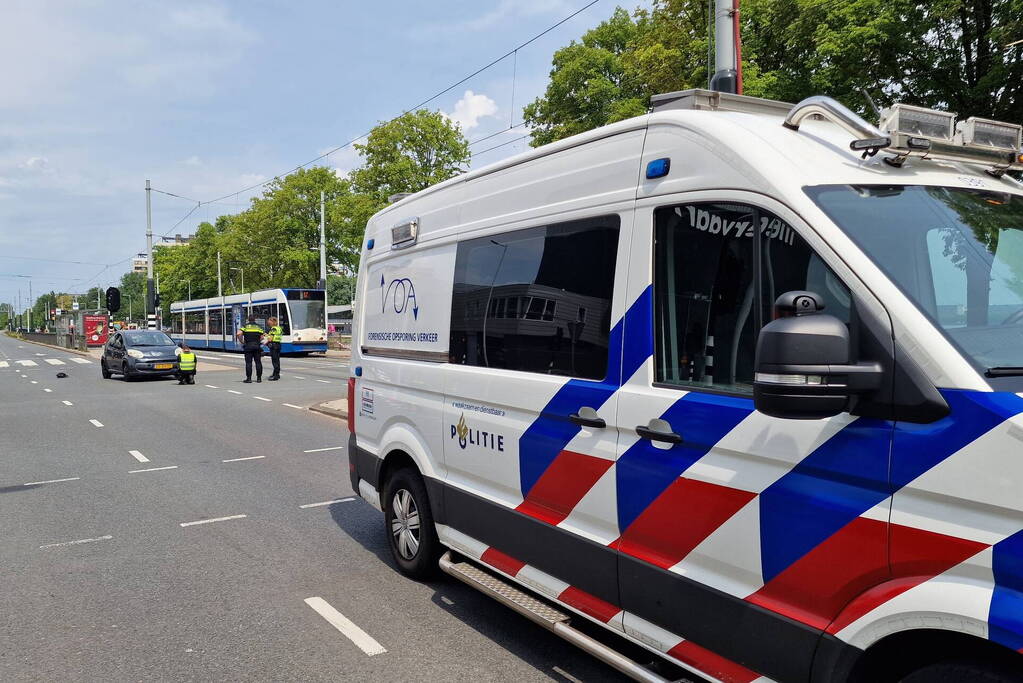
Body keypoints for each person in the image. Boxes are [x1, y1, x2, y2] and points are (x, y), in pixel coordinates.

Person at [236, 315, 264, 383]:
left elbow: (238, 334)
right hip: (257, 346)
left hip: (248, 346)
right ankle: (259, 378)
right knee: (258, 362)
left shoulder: (245, 326)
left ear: (248, 319)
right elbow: (262, 337)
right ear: (255, 319)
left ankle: (249, 379)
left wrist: (242, 341)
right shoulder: (259, 327)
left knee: (248, 363)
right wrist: (258, 341)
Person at [266, 316, 283, 381]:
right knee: (277, 361)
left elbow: (270, 339)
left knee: (274, 361)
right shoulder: (279, 328)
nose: (268, 322)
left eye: (269, 321)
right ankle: (276, 374)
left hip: (274, 345)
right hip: (278, 345)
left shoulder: (273, 329)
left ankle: (275, 376)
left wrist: (266, 338)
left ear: (272, 322)